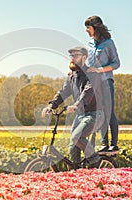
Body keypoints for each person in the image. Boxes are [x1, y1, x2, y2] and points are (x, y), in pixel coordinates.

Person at [42, 46, 104, 168]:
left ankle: (95, 160)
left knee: (77, 137)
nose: (72, 59)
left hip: (95, 114)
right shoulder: (71, 76)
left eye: (76, 56)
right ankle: (76, 172)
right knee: (72, 147)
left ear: (84, 58)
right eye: (71, 56)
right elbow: (62, 93)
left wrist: (76, 105)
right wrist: (51, 105)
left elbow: (88, 92)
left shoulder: (92, 74)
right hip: (80, 115)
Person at [84, 15, 120, 153]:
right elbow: (88, 64)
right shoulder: (90, 45)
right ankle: (104, 143)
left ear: (95, 27)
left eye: (88, 27)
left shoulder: (109, 43)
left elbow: (116, 63)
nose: (86, 30)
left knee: (109, 112)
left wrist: (100, 70)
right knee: (100, 113)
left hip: (106, 81)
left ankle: (114, 144)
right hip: (94, 83)